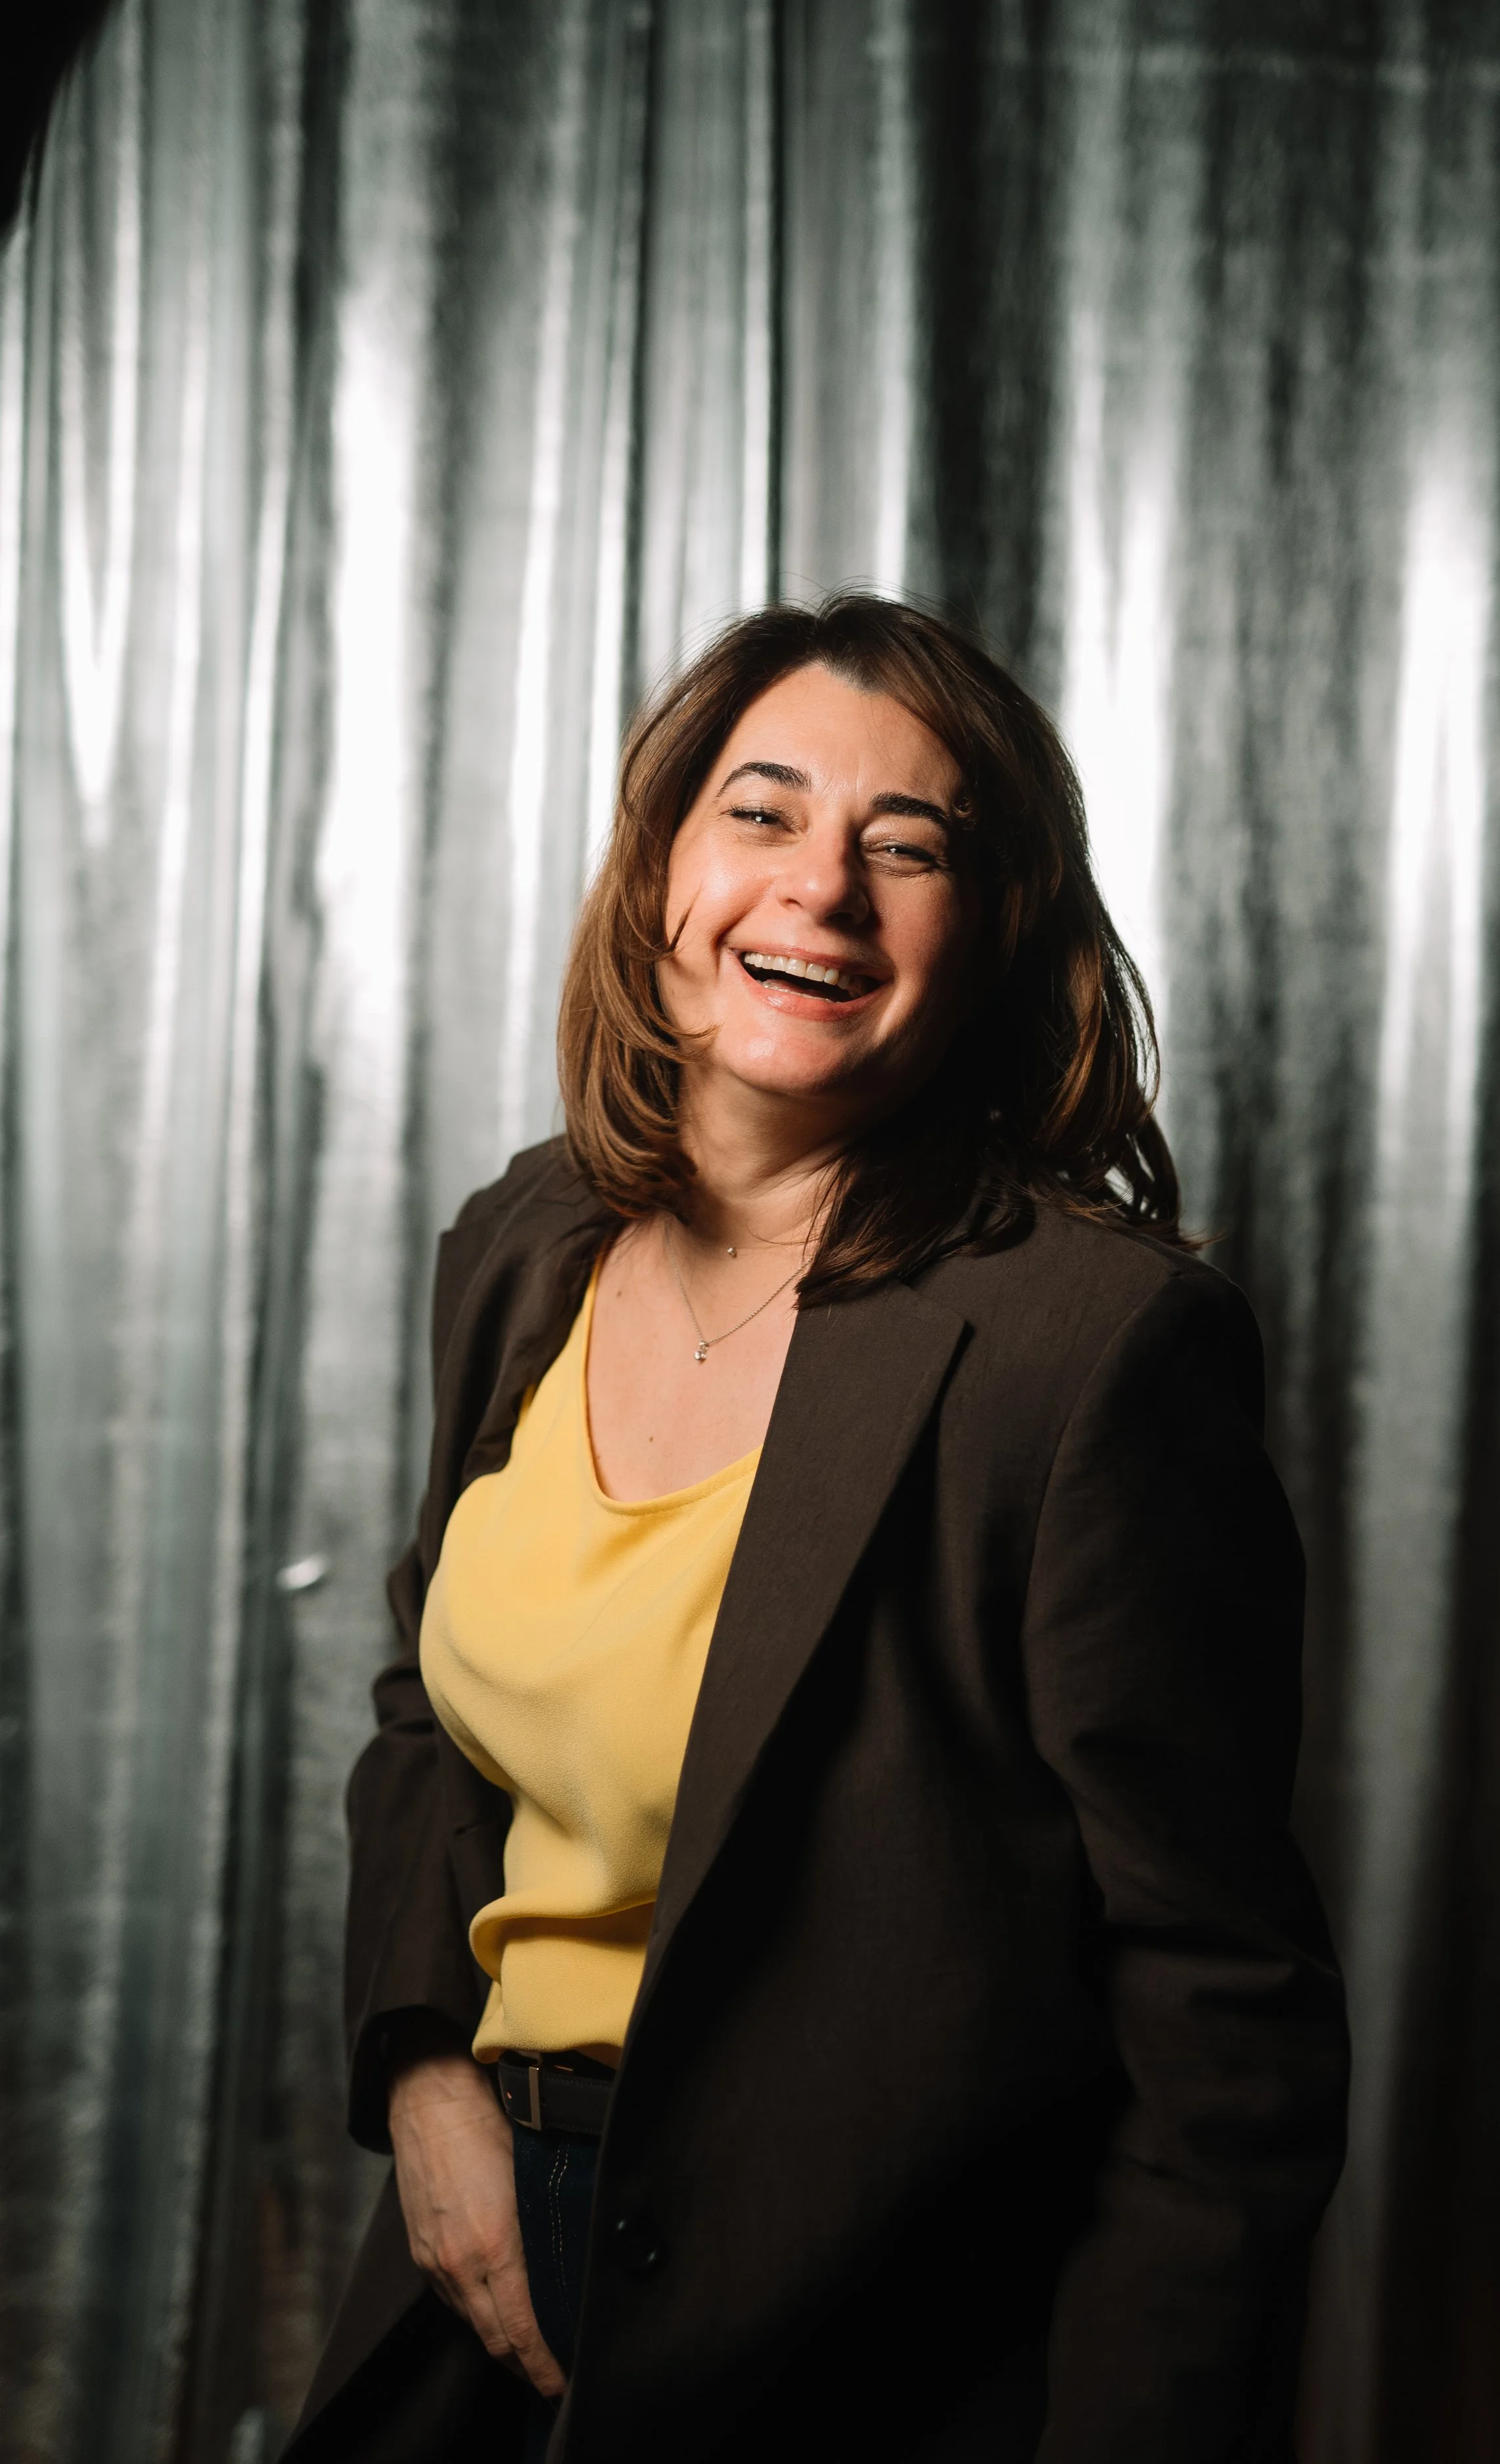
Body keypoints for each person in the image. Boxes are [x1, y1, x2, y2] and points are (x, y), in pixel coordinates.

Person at [286, 594, 1349, 2464]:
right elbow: (427, 1705)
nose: (822, 890)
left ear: (997, 926)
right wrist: (429, 2068)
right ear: (662, 870)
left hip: (872, 2355)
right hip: (474, 2285)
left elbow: (1219, 2019)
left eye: (907, 846)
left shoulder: (1089, 1347)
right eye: (761, 812)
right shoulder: (527, 1243)